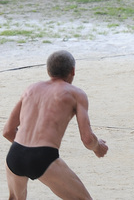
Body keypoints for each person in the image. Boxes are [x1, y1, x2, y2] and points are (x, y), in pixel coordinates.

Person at [3, 50, 108, 200]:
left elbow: (7, 131)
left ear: (48, 70)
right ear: (73, 71)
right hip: (43, 157)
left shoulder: (31, 89)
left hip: (15, 154)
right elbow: (87, 139)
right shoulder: (76, 94)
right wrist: (98, 147)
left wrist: (26, 150)